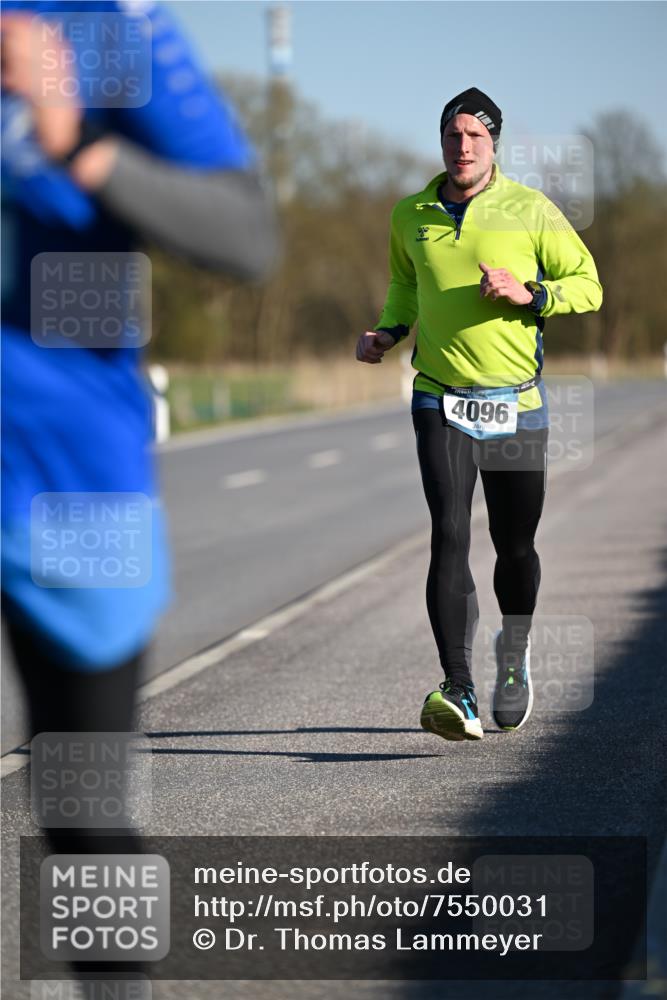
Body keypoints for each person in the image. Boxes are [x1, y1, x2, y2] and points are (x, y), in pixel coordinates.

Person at [1, 1, 278, 806]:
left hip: (67, 473)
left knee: (81, 821)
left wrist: (75, 142)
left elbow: (246, 238)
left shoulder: (108, 24)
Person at [356, 87, 602, 742]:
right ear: (440, 142)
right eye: (451, 135)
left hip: (515, 402)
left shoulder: (529, 209)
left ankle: (512, 655)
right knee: (448, 531)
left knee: (514, 546)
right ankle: (458, 689)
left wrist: (530, 292)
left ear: (493, 144)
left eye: (473, 136)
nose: (461, 146)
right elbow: (406, 281)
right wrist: (387, 331)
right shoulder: (410, 213)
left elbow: (588, 284)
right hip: (438, 394)